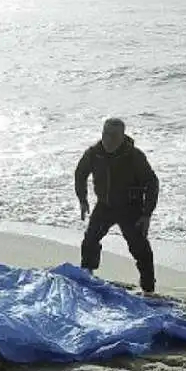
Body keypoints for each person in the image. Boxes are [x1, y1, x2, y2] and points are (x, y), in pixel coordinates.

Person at [74, 118, 160, 292]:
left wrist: (147, 214)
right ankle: (87, 276)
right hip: (105, 206)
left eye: (113, 136)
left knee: (141, 249)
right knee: (90, 241)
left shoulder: (134, 156)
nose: (108, 139)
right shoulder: (94, 153)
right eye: (105, 134)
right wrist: (82, 199)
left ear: (122, 136)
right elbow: (80, 173)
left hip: (130, 208)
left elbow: (152, 183)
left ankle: (149, 289)